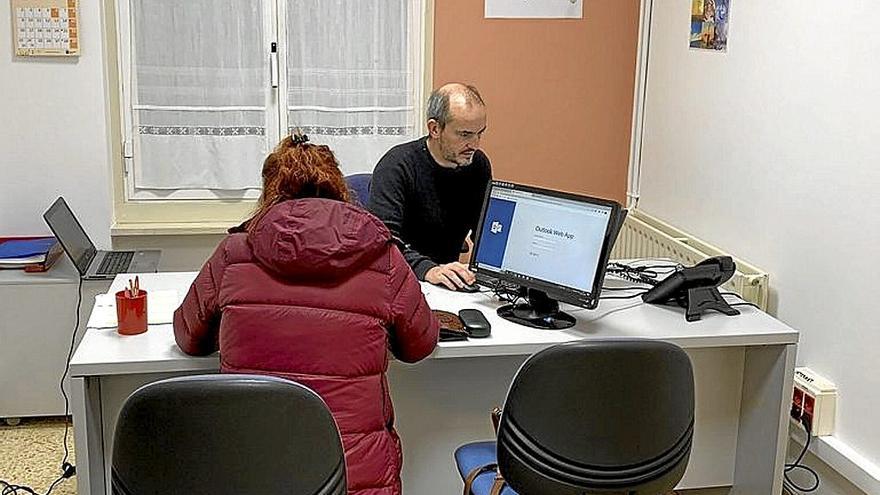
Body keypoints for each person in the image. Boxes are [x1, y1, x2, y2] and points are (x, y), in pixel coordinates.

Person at [173, 133, 439, 495]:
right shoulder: (383, 256)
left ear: (270, 193)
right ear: (338, 188)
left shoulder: (234, 251)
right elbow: (421, 343)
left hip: (255, 469)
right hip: (353, 475)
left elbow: (189, 337)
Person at [368, 82, 492, 291]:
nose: (475, 144)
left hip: (448, 282)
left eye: (480, 133)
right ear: (435, 128)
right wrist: (428, 270)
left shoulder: (478, 165)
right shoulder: (397, 166)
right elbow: (384, 245)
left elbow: (484, 231)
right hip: (401, 281)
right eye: (465, 135)